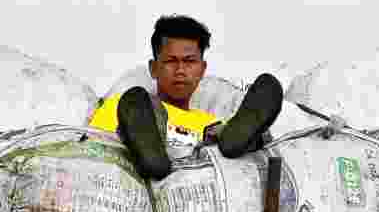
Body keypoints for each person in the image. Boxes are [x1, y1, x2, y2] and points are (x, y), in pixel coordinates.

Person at [90, 15, 284, 181]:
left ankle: (250, 139)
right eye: (170, 61)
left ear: (202, 70)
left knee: (226, 138)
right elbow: (93, 151)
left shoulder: (208, 121)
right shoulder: (122, 105)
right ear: (153, 68)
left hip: (205, 163)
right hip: (140, 137)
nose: (180, 70)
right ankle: (146, 145)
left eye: (189, 61)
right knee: (139, 103)